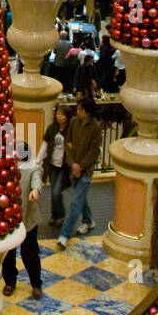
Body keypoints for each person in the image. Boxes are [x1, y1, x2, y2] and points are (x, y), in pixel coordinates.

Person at [57, 96, 101, 247]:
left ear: (88, 112)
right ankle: (88, 221)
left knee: (75, 203)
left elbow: (93, 152)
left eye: (81, 110)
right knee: (80, 197)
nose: (78, 112)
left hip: (85, 172)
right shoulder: (74, 122)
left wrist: (80, 167)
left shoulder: (95, 128)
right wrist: (72, 164)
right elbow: (68, 144)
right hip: (73, 168)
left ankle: (65, 234)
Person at [2, 155, 45, 300]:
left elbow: (37, 179)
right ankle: (10, 282)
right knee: (8, 253)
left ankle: (36, 284)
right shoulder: (5, 168)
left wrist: (36, 190)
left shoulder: (33, 168)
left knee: (30, 253)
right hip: (8, 219)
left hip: (27, 219)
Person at [38, 104, 70, 225]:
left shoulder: (70, 130)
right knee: (53, 192)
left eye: (62, 114)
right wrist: (39, 160)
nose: (59, 116)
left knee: (56, 191)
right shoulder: (52, 128)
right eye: (58, 114)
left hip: (63, 166)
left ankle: (60, 215)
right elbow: (45, 145)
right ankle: (54, 215)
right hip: (52, 164)